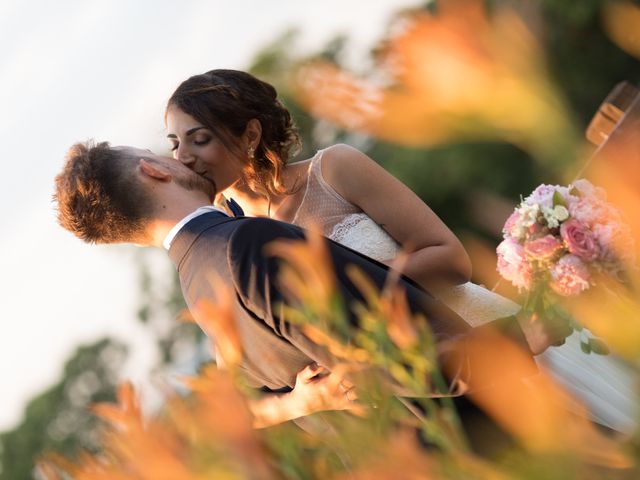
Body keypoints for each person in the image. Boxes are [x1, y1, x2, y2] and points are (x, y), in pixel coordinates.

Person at [164, 69, 636, 433]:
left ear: (249, 133)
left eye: (199, 138)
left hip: (492, 343)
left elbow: (450, 258)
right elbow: (248, 397)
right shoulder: (228, 253)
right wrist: (301, 399)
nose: (183, 156)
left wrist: (345, 296)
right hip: (424, 417)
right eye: (174, 143)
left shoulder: (334, 170)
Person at [54, 141, 541, 437]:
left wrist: (299, 403)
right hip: (484, 432)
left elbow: (245, 401)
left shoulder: (196, 291)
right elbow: (390, 360)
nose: (176, 157)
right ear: (153, 170)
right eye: (159, 154)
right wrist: (525, 335)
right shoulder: (247, 242)